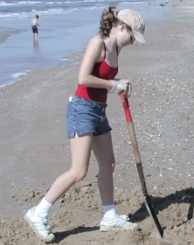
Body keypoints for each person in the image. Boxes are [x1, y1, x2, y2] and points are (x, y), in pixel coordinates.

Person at [24, 7, 146, 243]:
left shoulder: (116, 47)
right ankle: (38, 213)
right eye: (132, 37)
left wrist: (117, 82)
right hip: (82, 109)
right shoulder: (97, 43)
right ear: (122, 27)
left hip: (98, 111)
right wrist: (113, 85)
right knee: (79, 170)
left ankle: (109, 215)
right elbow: (83, 78)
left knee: (108, 163)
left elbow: (105, 78)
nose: (133, 42)